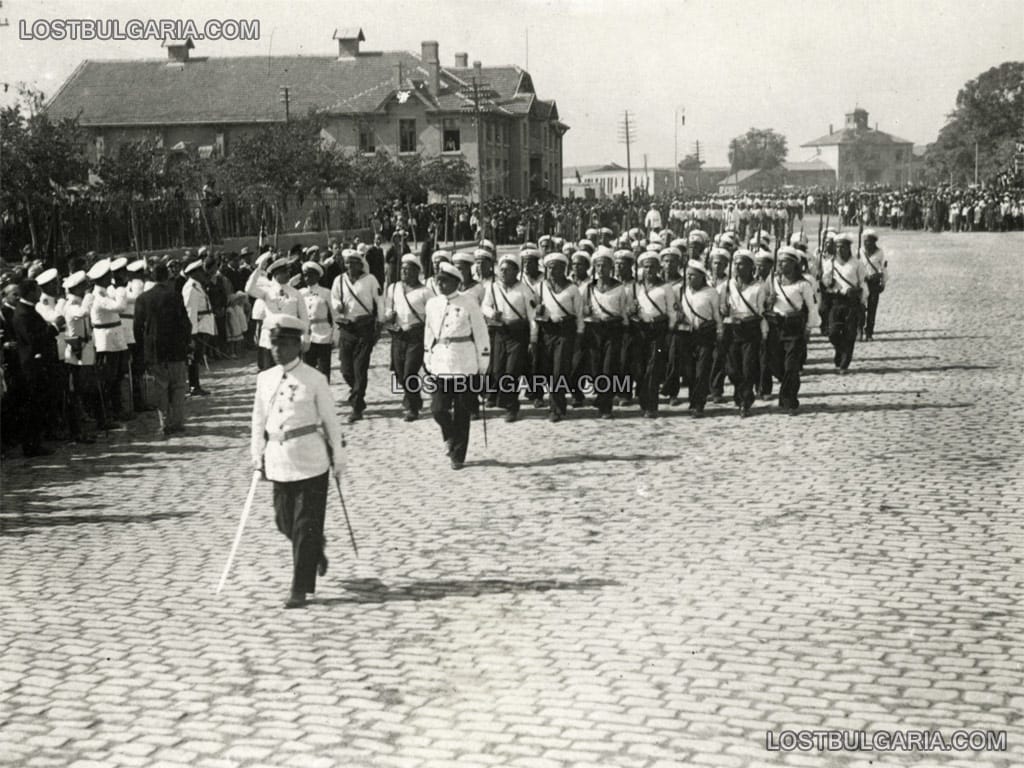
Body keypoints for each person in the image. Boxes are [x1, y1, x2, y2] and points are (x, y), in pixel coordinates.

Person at [250, 313, 346, 609]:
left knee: (305, 525)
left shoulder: (314, 379)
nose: (276, 350)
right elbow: (258, 421)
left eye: (283, 344)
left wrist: (338, 460)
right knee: (283, 521)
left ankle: (299, 588)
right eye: (273, 344)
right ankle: (314, 549)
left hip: (311, 460)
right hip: (278, 461)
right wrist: (257, 456)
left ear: (298, 345)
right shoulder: (264, 379)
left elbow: (331, 422)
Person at [423, 263, 490, 470]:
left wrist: (483, 364)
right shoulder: (433, 304)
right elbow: (429, 332)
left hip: (464, 361)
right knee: (437, 409)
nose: (440, 284)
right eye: (438, 280)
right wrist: (428, 356)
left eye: (445, 280)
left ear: (456, 282)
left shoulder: (469, 302)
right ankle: (450, 436)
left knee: (462, 411)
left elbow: (480, 334)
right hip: (441, 362)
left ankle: (458, 455)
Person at [134, 263, 193, 436]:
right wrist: (187, 342)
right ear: (167, 277)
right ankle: (178, 421)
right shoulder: (175, 296)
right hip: (176, 349)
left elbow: (137, 327)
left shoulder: (143, 298)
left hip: (154, 351)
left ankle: (164, 422)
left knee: (160, 386)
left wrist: (141, 350)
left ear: (152, 277)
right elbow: (185, 323)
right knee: (178, 386)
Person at [481, 252, 537, 422]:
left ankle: (512, 407)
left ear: (516, 272)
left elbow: (532, 316)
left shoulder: (525, 291)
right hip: (500, 332)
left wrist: (533, 339)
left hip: (518, 334)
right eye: (501, 269)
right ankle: (504, 400)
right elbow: (484, 306)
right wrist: (492, 313)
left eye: (508, 270)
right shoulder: (493, 288)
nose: (503, 273)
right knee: (498, 371)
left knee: (512, 371)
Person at [331, 249, 383, 423]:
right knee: (346, 369)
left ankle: (356, 405)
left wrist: (380, 322)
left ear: (361, 265)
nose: (350, 266)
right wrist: (338, 305)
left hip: (364, 327)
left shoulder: (370, 280)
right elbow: (334, 298)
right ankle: (357, 394)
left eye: (353, 263)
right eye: (347, 263)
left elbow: (379, 301)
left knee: (360, 367)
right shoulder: (339, 280)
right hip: (347, 327)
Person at [11, 279, 62, 457]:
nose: (40, 293)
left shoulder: (29, 310)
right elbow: (33, 339)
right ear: (31, 292)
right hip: (31, 366)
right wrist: (54, 328)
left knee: (38, 405)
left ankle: (36, 442)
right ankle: (31, 445)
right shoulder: (23, 313)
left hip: (38, 364)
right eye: (37, 290)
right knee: (33, 406)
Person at [765, 247, 819, 413]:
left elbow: (812, 308)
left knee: (791, 366)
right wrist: (769, 300)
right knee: (775, 364)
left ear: (795, 264)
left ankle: (789, 400)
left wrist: (809, 328)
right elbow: (763, 303)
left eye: (785, 261)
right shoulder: (773, 281)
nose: (781, 264)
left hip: (794, 328)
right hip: (776, 327)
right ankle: (787, 388)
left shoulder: (803, 284)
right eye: (779, 261)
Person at [534, 252, 584, 421]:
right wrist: (538, 313)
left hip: (565, 332)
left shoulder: (572, 289)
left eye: (556, 267)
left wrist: (579, 335)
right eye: (549, 267)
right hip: (547, 332)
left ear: (564, 269)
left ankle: (557, 408)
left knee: (559, 371)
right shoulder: (540, 287)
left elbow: (579, 315)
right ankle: (553, 403)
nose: (552, 271)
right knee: (548, 370)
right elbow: (532, 309)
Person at [722, 250, 769, 417]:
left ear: (751, 267)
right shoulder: (728, 285)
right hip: (732, 329)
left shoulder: (758, 287)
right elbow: (722, 308)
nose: (737, 267)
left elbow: (761, 312)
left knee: (748, 367)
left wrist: (764, 334)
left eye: (741, 264)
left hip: (750, 329)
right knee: (732, 369)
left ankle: (745, 402)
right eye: (735, 264)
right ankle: (741, 392)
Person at [246, 254, 310, 372]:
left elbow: (304, 318)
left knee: (292, 375)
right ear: (276, 274)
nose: (288, 274)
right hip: (270, 341)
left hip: (291, 340)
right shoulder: (266, 292)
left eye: (288, 271)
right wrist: (259, 269)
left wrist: (305, 337)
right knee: (271, 375)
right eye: (284, 272)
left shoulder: (295, 293)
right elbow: (248, 289)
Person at [385, 253, 429, 421]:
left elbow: (432, 314)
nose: (404, 273)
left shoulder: (425, 292)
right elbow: (388, 307)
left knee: (410, 371)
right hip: (398, 334)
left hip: (416, 335)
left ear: (417, 272)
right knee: (398, 371)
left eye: (408, 270)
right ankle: (415, 400)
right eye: (402, 270)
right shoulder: (394, 288)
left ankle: (412, 409)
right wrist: (389, 314)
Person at [678, 260, 723, 417]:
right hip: (687, 335)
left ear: (701, 277)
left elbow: (716, 313)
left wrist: (720, 330)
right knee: (689, 371)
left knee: (702, 369)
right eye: (687, 275)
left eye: (693, 275)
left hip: (705, 334)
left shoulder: (711, 293)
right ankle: (692, 399)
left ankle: (699, 404)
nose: (689, 278)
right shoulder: (683, 291)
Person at [634, 252, 675, 418]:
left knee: (654, 366)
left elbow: (672, 310)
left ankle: (652, 405)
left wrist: (670, 330)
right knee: (640, 366)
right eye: (646, 266)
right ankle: (643, 400)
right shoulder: (637, 287)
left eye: (652, 266)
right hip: (640, 330)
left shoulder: (665, 287)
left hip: (658, 330)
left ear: (658, 268)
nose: (649, 270)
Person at [88, 258, 130, 423]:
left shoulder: (106, 291)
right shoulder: (98, 295)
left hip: (115, 337)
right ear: (103, 278)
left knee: (118, 376)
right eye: (108, 277)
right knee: (108, 378)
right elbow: (119, 307)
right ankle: (108, 412)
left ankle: (117, 408)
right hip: (105, 340)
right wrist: (120, 288)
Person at [821, 233, 868, 373]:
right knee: (833, 333)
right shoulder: (830, 263)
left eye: (844, 247)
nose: (840, 250)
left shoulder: (857, 263)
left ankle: (844, 363)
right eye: (838, 247)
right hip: (836, 301)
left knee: (849, 333)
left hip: (851, 302)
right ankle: (840, 350)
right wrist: (827, 281)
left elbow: (863, 283)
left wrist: (861, 298)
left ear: (849, 248)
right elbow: (825, 280)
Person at [181, 259, 215, 395]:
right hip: (198, 327)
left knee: (197, 357)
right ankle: (194, 386)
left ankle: (196, 385)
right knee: (194, 358)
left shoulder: (197, 285)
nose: (203, 274)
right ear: (194, 273)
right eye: (200, 271)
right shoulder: (191, 288)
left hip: (204, 325)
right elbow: (190, 312)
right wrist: (192, 334)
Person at [299, 262, 334, 381]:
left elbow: (335, 315)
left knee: (324, 370)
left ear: (318, 276)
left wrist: (335, 336)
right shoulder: (300, 293)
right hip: (306, 336)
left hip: (323, 334)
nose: (307, 278)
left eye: (311, 275)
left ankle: (324, 397)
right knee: (307, 370)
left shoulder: (326, 293)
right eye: (305, 275)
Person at [860, 230, 888, 341]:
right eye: (865, 241)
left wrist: (883, 283)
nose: (866, 243)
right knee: (860, 308)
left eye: (869, 241)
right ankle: (859, 329)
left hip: (874, 282)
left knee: (872, 308)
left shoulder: (880, 253)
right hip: (863, 282)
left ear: (874, 241)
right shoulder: (860, 251)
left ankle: (869, 332)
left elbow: (884, 269)